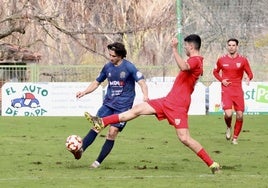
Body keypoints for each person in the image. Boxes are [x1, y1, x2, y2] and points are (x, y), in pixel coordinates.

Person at [86, 34, 221, 174]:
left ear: (191, 46)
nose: (185, 48)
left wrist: (174, 49)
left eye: (186, 46)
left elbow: (184, 67)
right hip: (168, 100)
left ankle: (212, 164)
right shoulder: (196, 61)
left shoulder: (196, 60)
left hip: (178, 105)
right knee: (137, 109)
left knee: (185, 138)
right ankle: (102, 121)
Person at [71, 42, 149, 168]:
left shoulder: (129, 67)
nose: (110, 58)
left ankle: (97, 162)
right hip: (108, 104)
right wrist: (84, 92)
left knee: (112, 132)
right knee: (97, 126)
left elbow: (142, 83)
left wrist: (145, 96)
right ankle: (80, 150)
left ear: (120, 56)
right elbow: (96, 82)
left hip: (123, 107)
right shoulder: (107, 67)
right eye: (110, 55)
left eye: (113, 56)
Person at [213, 38, 253, 145]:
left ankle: (235, 138)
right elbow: (215, 72)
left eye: (233, 45)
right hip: (226, 90)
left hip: (238, 90)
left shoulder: (243, 60)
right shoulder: (221, 60)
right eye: (229, 45)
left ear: (237, 47)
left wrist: (248, 78)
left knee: (240, 115)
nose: (231, 47)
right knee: (229, 114)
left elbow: (250, 73)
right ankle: (228, 126)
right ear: (227, 46)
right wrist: (222, 80)